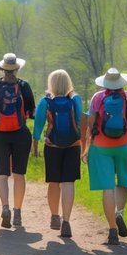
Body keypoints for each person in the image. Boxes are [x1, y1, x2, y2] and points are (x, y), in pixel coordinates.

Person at [83, 67, 127, 245]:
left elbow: (90, 125)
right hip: (124, 145)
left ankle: (112, 231)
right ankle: (119, 213)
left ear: (106, 82)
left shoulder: (97, 97)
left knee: (107, 187)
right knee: (123, 181)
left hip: (101, 146)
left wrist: (86, 148)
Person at [0, 53, 36, 228]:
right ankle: (17, 212)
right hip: (21, 134)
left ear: (2, 68)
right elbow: (32, 113)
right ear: (17, 68)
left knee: (2, 174)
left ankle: (5, 208)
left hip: (0, 134)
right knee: (19, 174)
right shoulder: (24, 86)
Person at [32, 69, 85, 239]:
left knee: (54, 182)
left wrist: (35, 144)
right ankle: (67, 222)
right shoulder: (75, 99)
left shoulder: (45, 101)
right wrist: (84, 145)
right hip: (73, 145)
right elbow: (79, 122)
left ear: (51, 83)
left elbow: (38, 124)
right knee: (68, 182)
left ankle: (55, 216)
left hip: (52, 145)